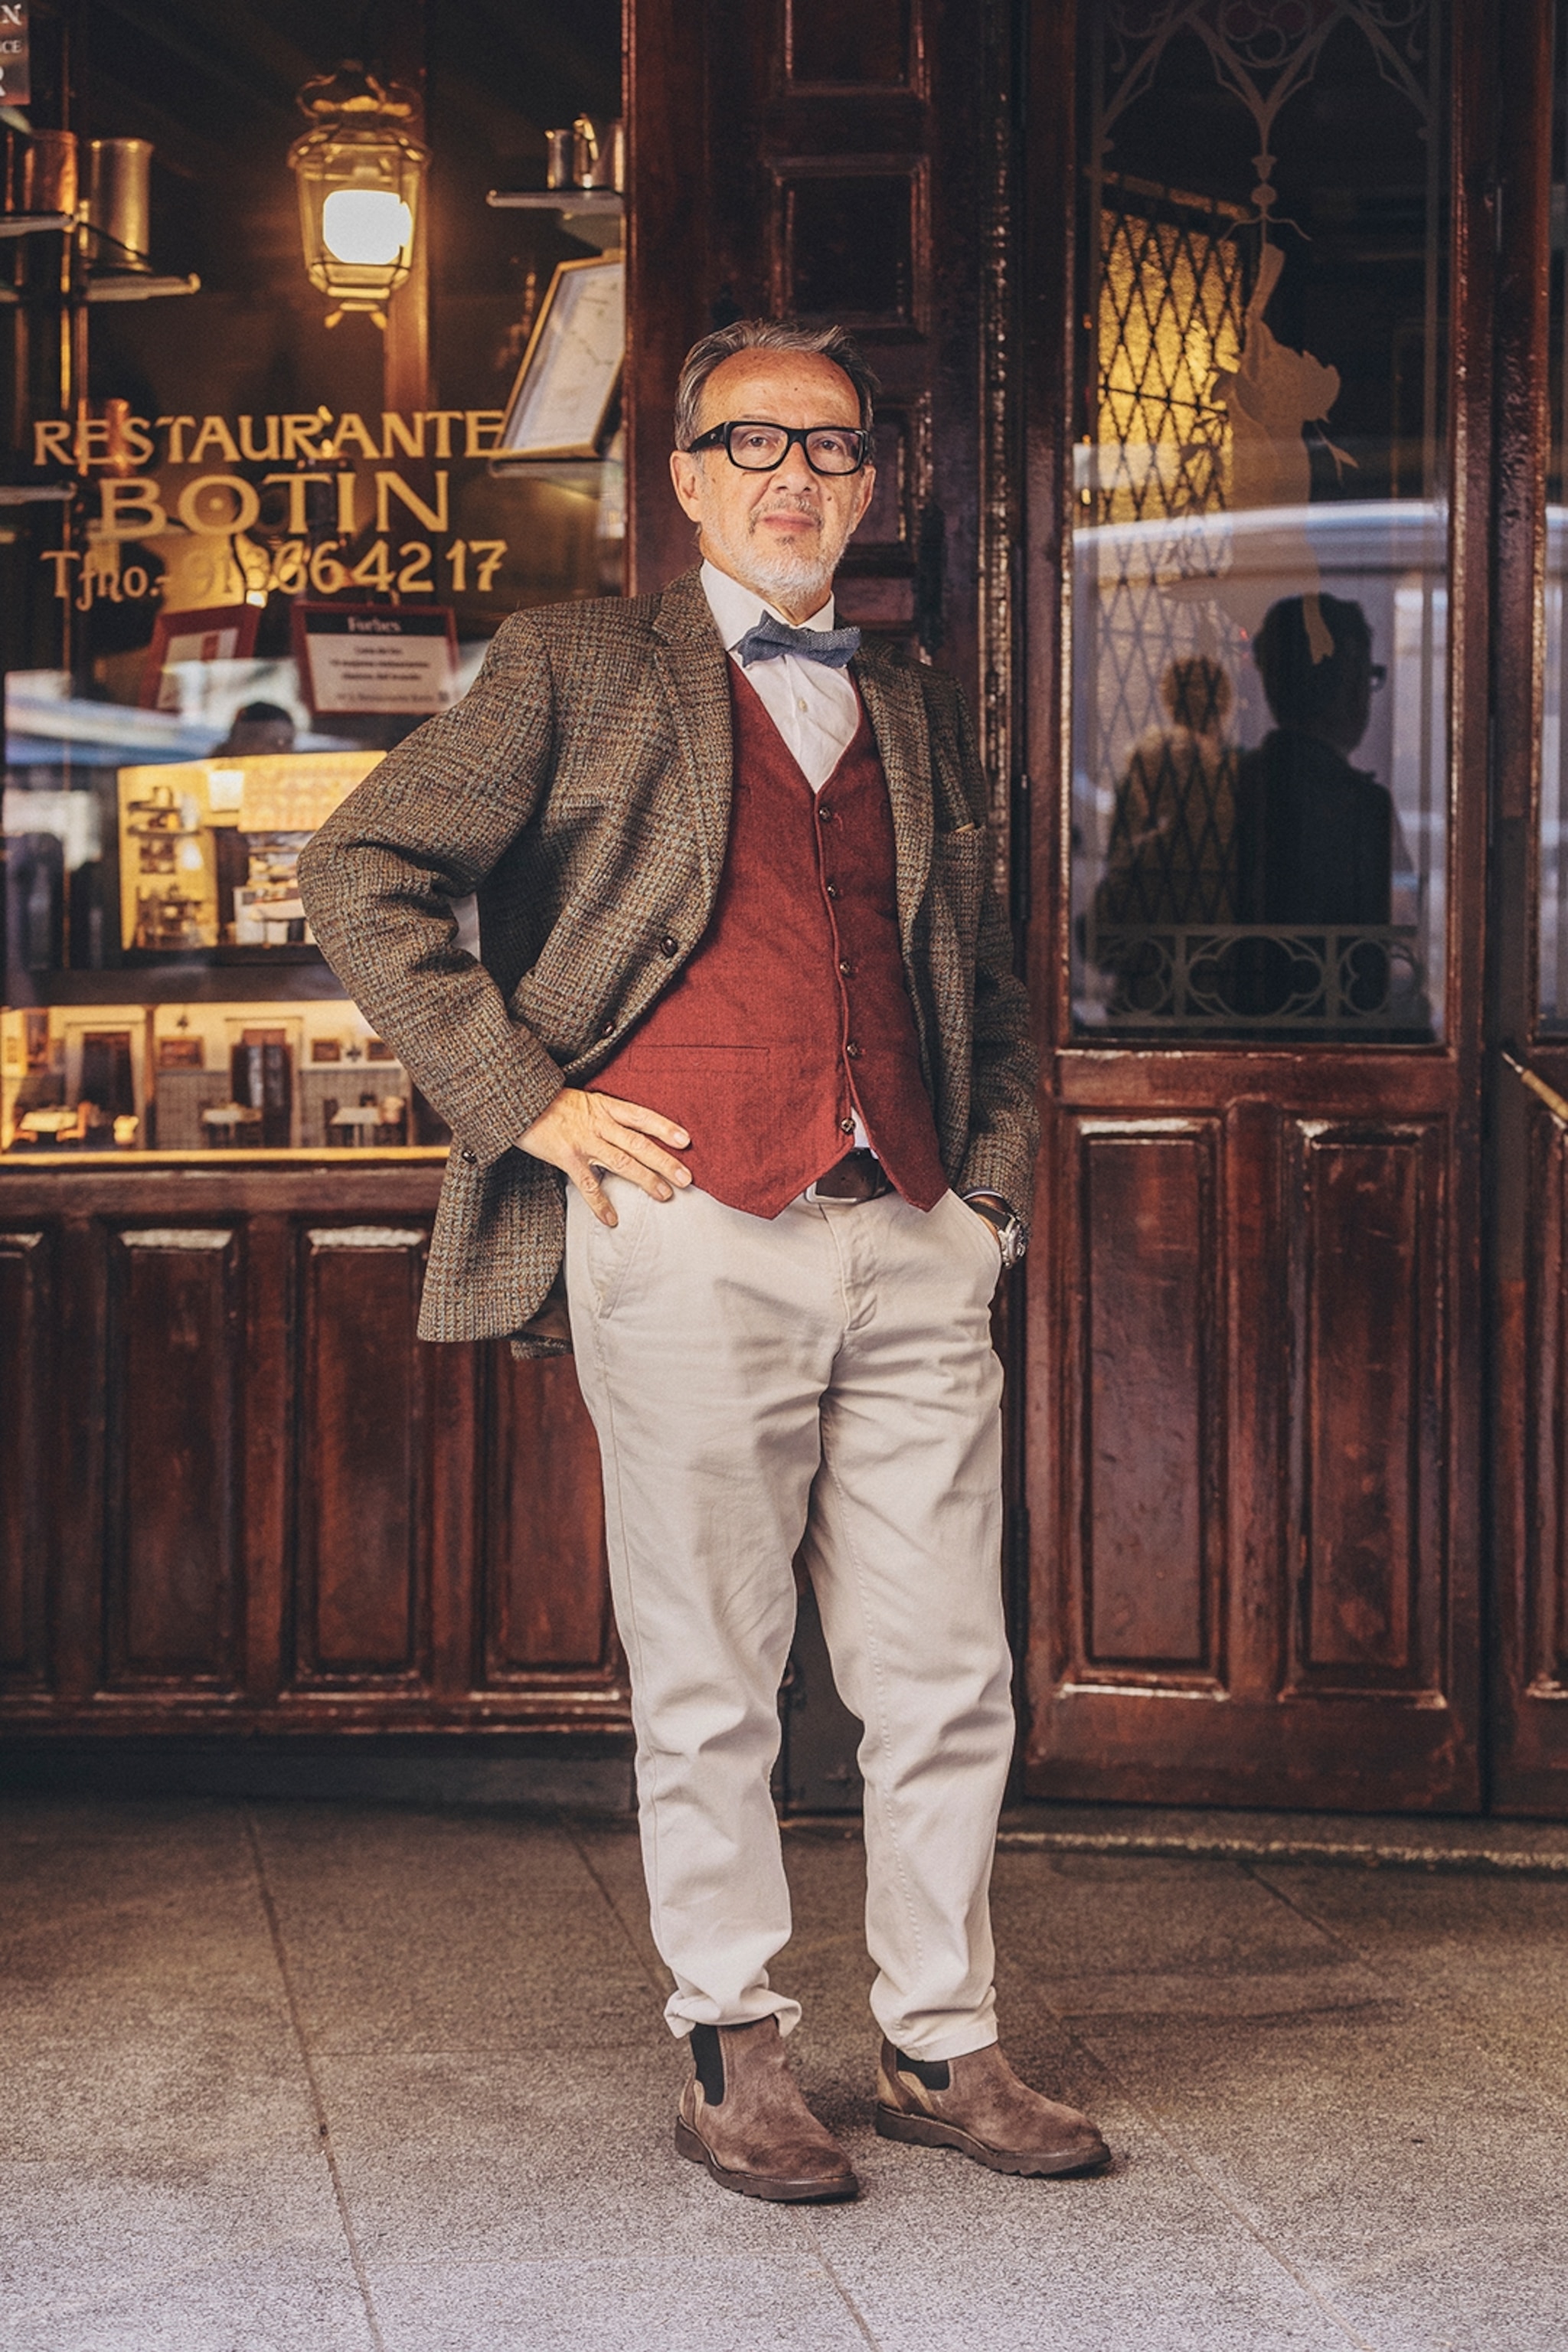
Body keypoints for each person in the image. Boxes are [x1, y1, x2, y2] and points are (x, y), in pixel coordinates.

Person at [299, 318, 1109, 2203]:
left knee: (942, 1667)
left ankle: (937, 2032)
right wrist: (528, 1099)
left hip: (905, 1224)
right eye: (751, 444)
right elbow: (360, 870)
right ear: (679, 476)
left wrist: (981, 1194)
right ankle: (732, 2039)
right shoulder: (577, 663)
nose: (792, 479)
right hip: (679, 1230)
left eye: (828, 449)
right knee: (713, 1669)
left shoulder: (905, 701)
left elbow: (975, 976)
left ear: (869, 480)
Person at [1233, 593, 1393, 1019]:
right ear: (1348, 685)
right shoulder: (1362, 806)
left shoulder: (1237, 783)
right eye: (1367, 676)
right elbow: (1368, 972)